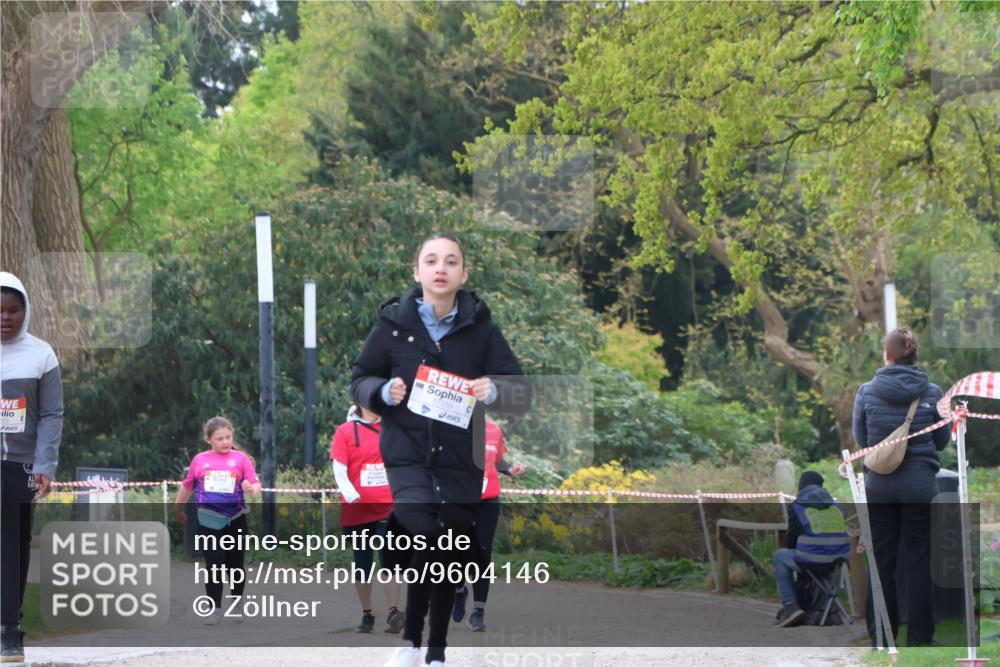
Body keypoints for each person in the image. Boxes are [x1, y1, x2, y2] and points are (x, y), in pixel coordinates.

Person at [351, 233, 530, 667]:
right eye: (431, 260)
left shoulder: (482, 329)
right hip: (407, 454)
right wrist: (383, 391)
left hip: (460, 460)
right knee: (428, 536)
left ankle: (429, 649)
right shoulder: (392, 325)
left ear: (463, 274)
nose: (441, 267)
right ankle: (415, 643)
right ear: (417, 272)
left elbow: (518, 389)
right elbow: (360, 379)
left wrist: (495, 389)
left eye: (451, 261)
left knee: (445, 550)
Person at [853, 327, 950, 647]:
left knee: (881, 563)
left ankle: (882, 637)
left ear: (887, 355)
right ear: (914, 356)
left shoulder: (867, 391)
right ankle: (921, 639)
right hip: (920, 486)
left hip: (879, 487)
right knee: (920, 561)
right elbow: (940, 441)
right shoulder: (933, 392)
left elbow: (863, 442)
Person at [1, 274, 63, 664]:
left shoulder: (41, 355)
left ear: (26, 310)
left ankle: (9, 631)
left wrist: (44, 464)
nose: (5, 318)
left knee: (13, 544)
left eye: (13, 310)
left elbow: (53, 414)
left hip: (20, 464)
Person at [175, 416, 262, 625]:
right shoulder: (200, 460)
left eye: (228, 437)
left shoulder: (240, 459)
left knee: (235, 565)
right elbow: (188, 486)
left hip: (235, 519)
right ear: (209, 440)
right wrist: (178, 507)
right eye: (219, 438)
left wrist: (252, 490)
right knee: (213, 566)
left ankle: (236, 604)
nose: (225, 442)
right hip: (208, 520)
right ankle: (215, 608)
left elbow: (255, 485)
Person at [330, 404, 405, 634]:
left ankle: (394, 612)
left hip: (388, 507)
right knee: (362, 561)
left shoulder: (392, 428)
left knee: (389, 558)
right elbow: (339, 468)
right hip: (357, 509)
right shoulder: (344, 431)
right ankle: (367, 614)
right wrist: (350, 494)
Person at [451, 418, 525, 631]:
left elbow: (498, 460)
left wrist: (511, 469)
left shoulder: (493, 428)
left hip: (488, 500)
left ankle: (478, 612)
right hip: (459, 499)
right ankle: (458, 590)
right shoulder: (450, 425)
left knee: (483, 552)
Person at [772, 471, 850, 628]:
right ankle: (828, 609)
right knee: (821, 560)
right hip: (839, 559)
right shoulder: (837, 507)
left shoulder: (798, 506)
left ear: (801, 487)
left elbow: (791, 540)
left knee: (780, 556)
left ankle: (790, 606)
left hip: (811, 559)